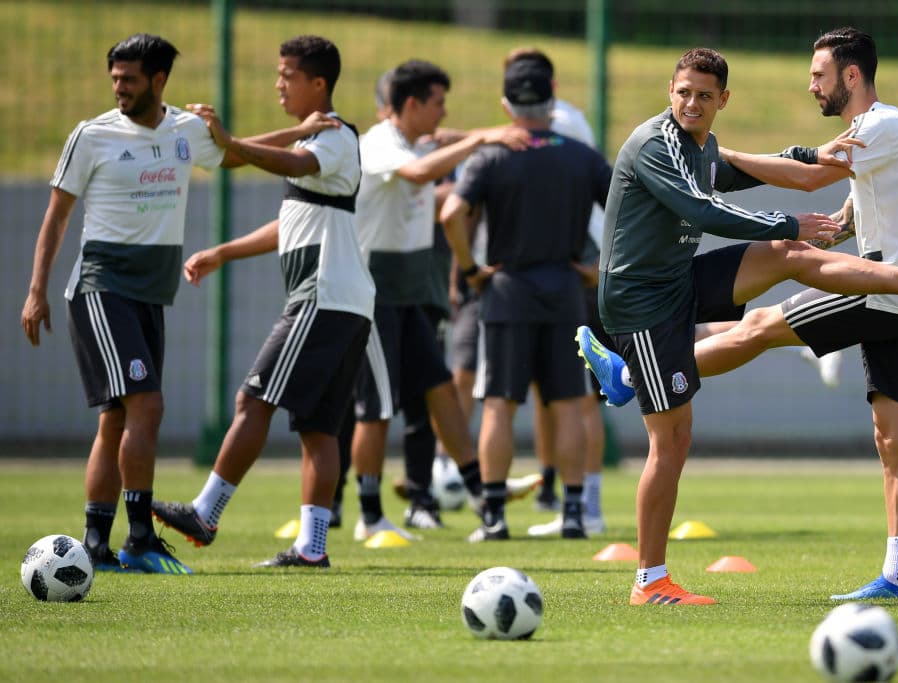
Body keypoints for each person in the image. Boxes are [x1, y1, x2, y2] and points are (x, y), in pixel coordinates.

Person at [577, 47, 898, 606]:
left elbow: (768, 170)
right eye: (684, 93)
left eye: (705, 96)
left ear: (723, 100)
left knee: (788, 255)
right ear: (669, 91)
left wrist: (802, 168)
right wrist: (789, 219)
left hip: (678, 281)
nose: (692, 103)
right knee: (674, 439)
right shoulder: (656, 144)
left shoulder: (704, 145)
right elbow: (704, 209)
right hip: (643, 301)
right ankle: (650, 582)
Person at [19, 33, 330, 574]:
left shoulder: (185, 129)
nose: (119, 88)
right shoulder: (91, 135)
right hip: (101, 288)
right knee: (147, 406)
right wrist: (34, 290)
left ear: (159, 80)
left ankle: (96, 546)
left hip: (150, 294)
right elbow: (58, 213)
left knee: (117, 419)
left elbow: (232, 152)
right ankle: (140, 538)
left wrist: (299, 133)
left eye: (130, 79)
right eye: (115, 78)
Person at [697, 27, 898, 600]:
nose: (811, 85)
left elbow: (810, 174)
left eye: (819, 75)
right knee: (894, 444)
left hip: (886, 293)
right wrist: (822, 232)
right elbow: (849, 218)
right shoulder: (884, 133)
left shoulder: (880, 126)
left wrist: (717, 154)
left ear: (852, 75)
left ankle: (637, 373)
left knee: (758, 326)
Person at [150, 35, 372, 568]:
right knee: (318, 429)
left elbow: (287, 163)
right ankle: (312, 549)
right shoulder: (316, 139)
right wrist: (223, 252)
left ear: (318, 83)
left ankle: (205, 513)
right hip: (343, 301)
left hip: (321, 298)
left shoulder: (335, 137)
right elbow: (280, 208)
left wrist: (235, 142)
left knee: (253, 400)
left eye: (287, 75)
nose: (278, 84)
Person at [350, 59, 531, 541]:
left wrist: (484, 137)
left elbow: (440, 141)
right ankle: (369, 514)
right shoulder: (380, 144)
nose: (443, 112)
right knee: (376, 407)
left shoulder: (413, 140)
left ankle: (478, 495)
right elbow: (416, 173)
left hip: (410, 294)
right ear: (411, 104)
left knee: (441, 390)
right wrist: (482, 139)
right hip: (375, 292)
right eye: (437, 103)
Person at [439, 57, 613, 541]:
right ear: (552, 101)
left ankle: (494, 517)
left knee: (499, 404)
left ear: (506, 105)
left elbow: (451, 213)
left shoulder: (492, 156)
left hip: (506, 291)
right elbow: (629, 210)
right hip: (565, 290)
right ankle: (573, 513)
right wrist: (600, 267)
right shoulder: (581, 156)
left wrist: (470, 270)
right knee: (570, 402)